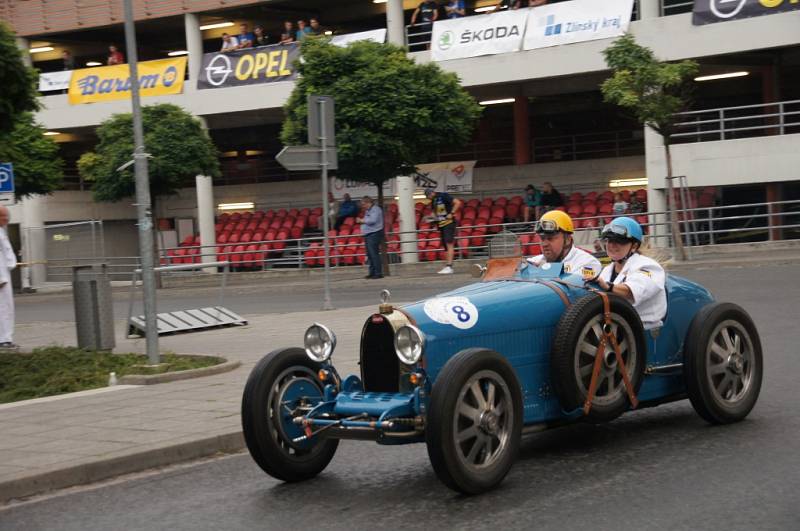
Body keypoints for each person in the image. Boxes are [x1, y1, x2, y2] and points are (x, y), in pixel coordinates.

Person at [596, 217, 666, 330]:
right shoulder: (606, 270)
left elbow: (634, 290)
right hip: (613, 326)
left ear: (634, 246)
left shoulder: (649, 266)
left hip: (642, 329)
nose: (612, 245)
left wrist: (609, 287)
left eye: (619, 241)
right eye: (609, 240)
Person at [527, 210, 601, 279]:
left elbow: (573, 285)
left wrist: (542, 271)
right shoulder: (534, 261)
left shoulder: (590, 263)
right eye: (542, 239)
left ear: (568, 239)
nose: (544, 244)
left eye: (550, 239)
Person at [424, 188, 463, 275]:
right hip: (441, 225)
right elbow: (435, 213)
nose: (428, 198)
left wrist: (451, 213)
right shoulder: (433, 202)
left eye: (428, 196)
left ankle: (449, 266)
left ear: (431, 193)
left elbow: (457, 202)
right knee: (445, 246)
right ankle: (447, 266)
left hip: (449, 223)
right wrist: (429, 218)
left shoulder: (443, 196)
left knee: (449, 244)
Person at [0, 206, 18, 349]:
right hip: (1, 277)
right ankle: (4, 339)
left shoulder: (1, 231)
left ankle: (6, 338)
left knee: (6, 307)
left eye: (7, 216)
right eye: (3, 216)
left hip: (5, 275)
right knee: (4, 307)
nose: (6, 218)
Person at [357, 196, 384, 279]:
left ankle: (378, 273)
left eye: (363, 204)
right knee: (370, 255)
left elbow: (372, 220)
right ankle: (372, 272)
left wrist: (361, 221)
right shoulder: (368, 210)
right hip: (369, 234)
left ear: (368, 202)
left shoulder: (376, 209)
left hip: (374, 234)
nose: (363, 206)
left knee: (374, 254)